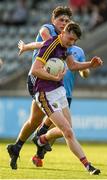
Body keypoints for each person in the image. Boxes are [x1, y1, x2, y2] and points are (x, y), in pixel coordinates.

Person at [29, 22, 103, 175]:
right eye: (70, 39)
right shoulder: (50, 45)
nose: (72, 43)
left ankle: (41, 139)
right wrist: (53, 77)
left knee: (69, 129)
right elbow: (35, 70)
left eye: (74, 41)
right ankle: (88, 166)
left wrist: (91, 64)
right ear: (63, 32)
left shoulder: (66, 47)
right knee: (68, 131)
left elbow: (73, 65)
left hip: (59, 90)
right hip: (45, 93)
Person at [7, 6, 74, 170]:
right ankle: (40, 136)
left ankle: (16, 147)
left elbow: (72, 62)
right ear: (53, 20)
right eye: (61, 20)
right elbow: (45, 43)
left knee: (34, 120)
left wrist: (87, 65)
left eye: (67, 21)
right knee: (55, 117)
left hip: (50, 82)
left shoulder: (66, 39)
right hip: (37, 80)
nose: (64, 23)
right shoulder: (47, 29)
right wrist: (27, 47)